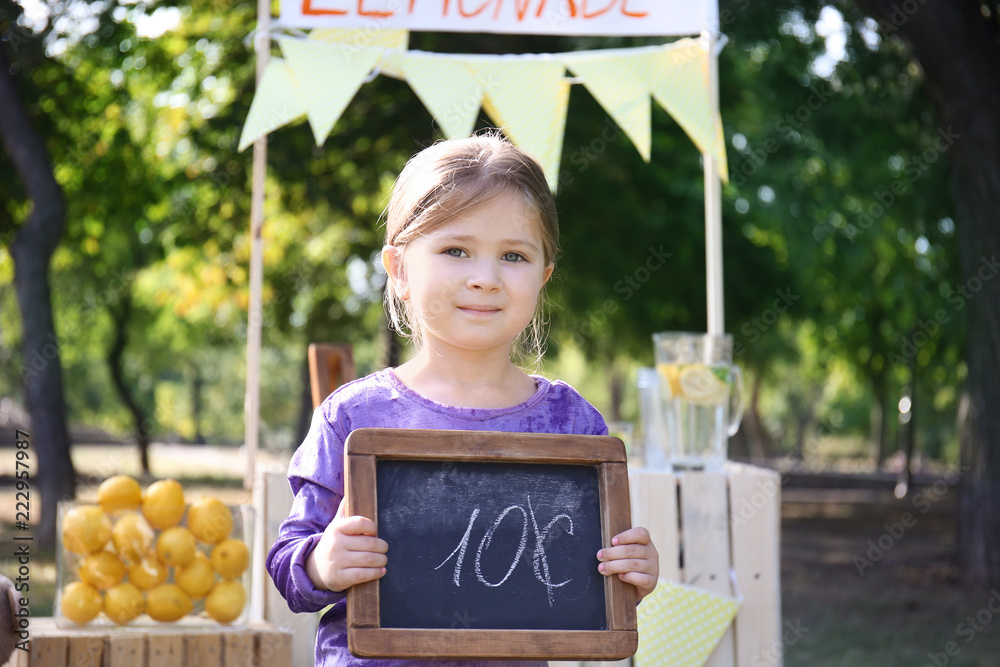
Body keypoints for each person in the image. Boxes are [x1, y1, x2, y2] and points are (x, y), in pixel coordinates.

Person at [267, 132, 659, 667]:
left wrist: (629, 571)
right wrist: (322, 563)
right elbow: (290, 569)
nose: (485, 278)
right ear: (400, 268)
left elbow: (584, 578)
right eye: (456, 250)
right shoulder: (354, 416)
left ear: (543, 276)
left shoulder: (571, 424)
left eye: (514, 256)